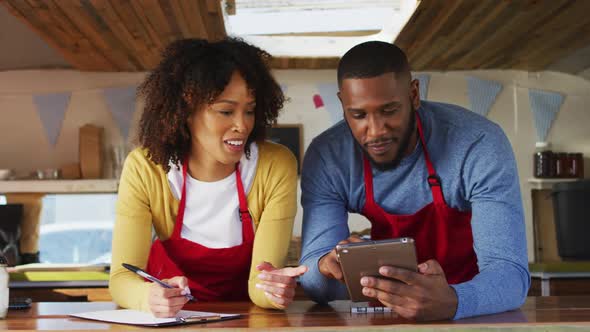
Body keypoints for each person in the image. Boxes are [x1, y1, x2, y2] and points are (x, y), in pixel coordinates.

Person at [299, 41, 530, 321]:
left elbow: (510, 276)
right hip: (387, 316)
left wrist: (454, 301)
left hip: (472, 313)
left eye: (389, 111)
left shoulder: (477, 143)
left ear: (414, 94)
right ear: (342, 105)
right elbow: (311, 280)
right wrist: (326, 265)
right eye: (359, 115)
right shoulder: (328, 157)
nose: (375, 131)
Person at [109, 38, 307, 317]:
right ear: (187, 110)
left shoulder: (275, 166)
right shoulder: (145, 168)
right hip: (170, 317)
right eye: (226, 111)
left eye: (249, 110)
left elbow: (260, 287)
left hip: (246, 317)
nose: (243, 125)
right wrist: (148, 297)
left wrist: (275, 291)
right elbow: (120, 278)